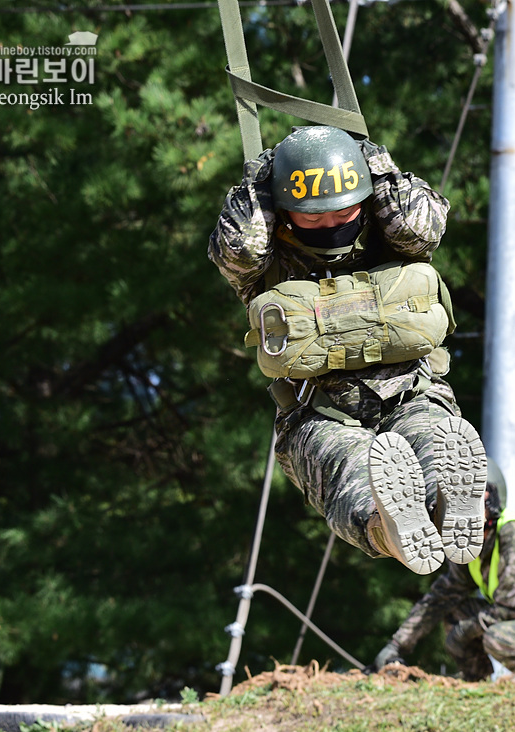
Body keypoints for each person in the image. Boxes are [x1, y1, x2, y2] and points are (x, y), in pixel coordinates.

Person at [209, 125, 487, 576]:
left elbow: (424, 227)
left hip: (413, 393)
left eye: (342, 212)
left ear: (365, 197)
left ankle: (450, 499)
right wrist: (261, 179)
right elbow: (237, 248)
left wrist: (375, 164)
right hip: (318, 415)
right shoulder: (264, 260)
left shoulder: (390, 235)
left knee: (439, 454)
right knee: (359, 485)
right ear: (283, 212)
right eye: (312, 217)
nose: (330, 225)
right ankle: (390, 530)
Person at [372, 460, 515, 680]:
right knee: (454, 613)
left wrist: (465, 632)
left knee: (498, 637)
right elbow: (440, 599)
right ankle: (478, 684)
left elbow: (513, 609)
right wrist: (396, 646)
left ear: (491, 501)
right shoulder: (465, 547)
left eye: (472, 500)